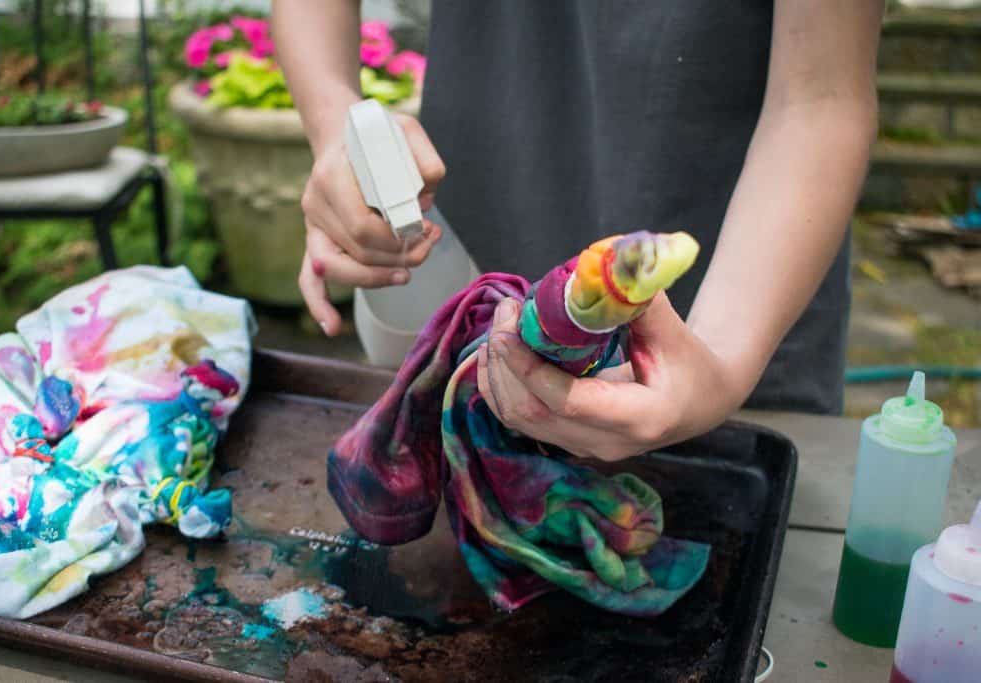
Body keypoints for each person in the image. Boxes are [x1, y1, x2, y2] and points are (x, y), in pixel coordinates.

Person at [272, 1, 885, 461]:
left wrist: (720, 365)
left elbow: (820, 98)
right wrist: (338, 130)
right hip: (470, 267)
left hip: (735, 320)